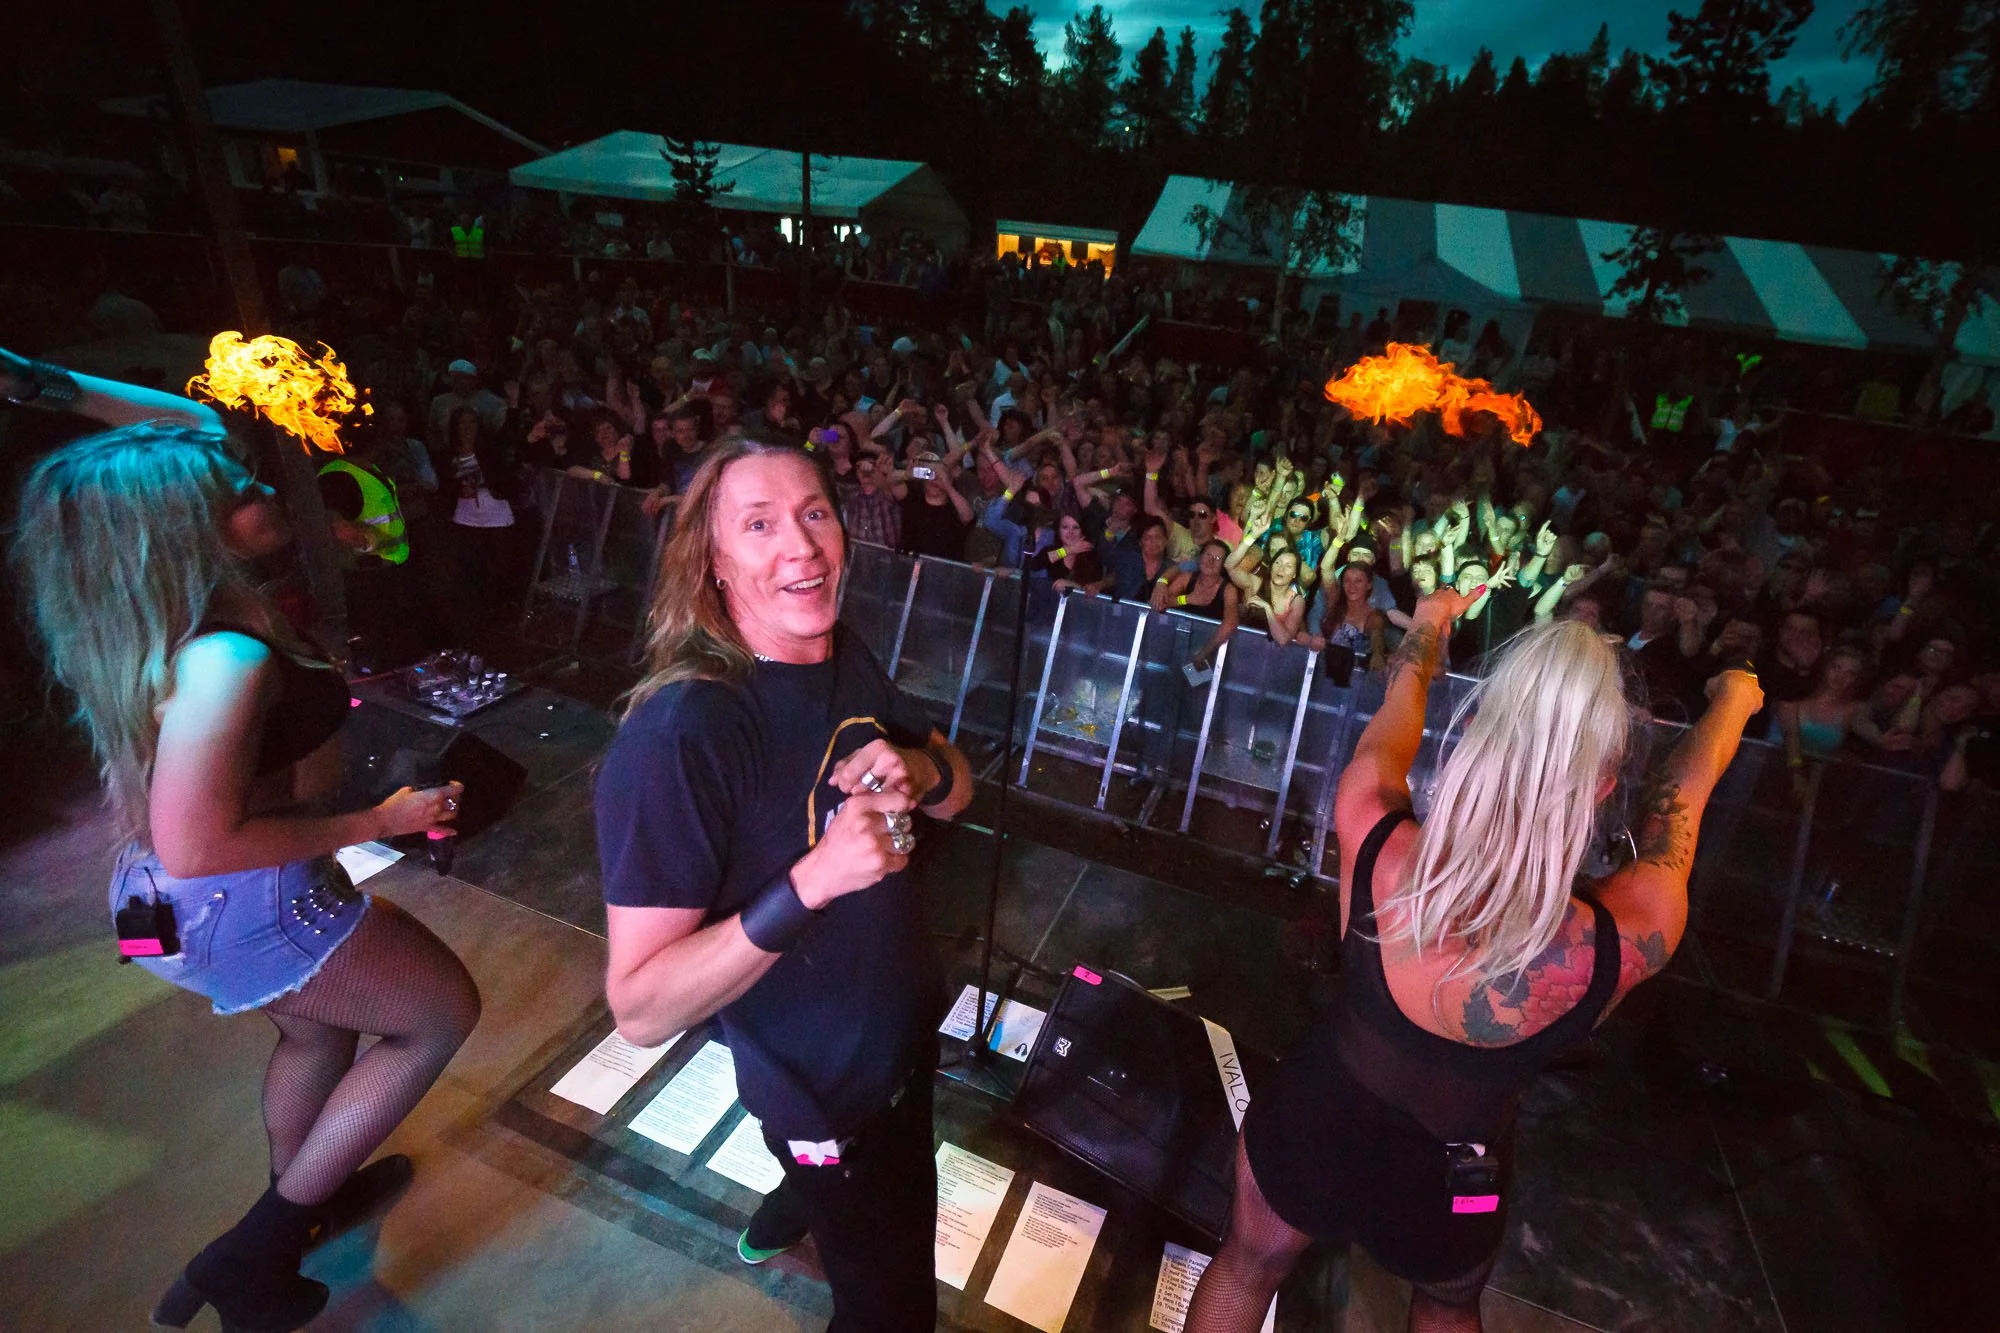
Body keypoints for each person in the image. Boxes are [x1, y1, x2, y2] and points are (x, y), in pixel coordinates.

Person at [10, 386, 477, 1333]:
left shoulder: (148, 632)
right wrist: (378, 818)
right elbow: (202, 838)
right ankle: (258, 1251)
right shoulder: (224, 657)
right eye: (241, 487)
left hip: (160, 909)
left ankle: (312, 1194)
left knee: (315, 1033)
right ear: (189, 532)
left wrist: (32, 376)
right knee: (438, 1015)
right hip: (236, 898)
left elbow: (179, 832)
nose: (266, 487)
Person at [1186, 593, 1763, 1333]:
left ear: (1474, 741)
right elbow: (1681, 802)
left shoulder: (1372, 830)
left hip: (1318, 1118)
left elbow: (1403, 697)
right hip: (1459, 1163)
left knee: (1248, 1263)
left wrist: (1430, 621)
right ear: (1605, 782)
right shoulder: (1631, 934)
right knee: (1447, 1303)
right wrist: (1733, 706)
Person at [594, 436, 973, 1331]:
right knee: (892, 1309)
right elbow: (641, 1008)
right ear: (713, 562)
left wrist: (920, 770)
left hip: (899, 1037)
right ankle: (804, 1191)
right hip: (825, 1094)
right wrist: (815, 879)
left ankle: (788, 1206)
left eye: (813, 514)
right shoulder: (681, 736)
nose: (800, 546)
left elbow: (960, 785)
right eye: (759, 524)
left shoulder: (841, 649)